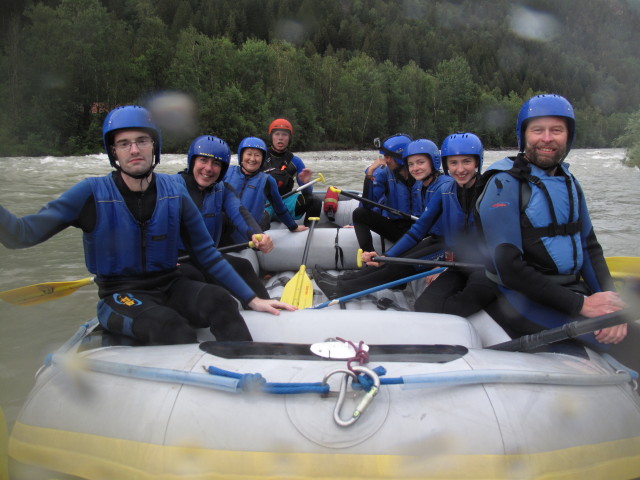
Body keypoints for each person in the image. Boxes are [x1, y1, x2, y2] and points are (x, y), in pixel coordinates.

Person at [0, 106, 294, 345]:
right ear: (113, 151)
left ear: (155, 146)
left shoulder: (173, 190)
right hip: (120, 293)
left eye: (142, 140)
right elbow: (21, 235)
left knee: (220, 301)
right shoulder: (89, 193)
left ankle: (249, 374)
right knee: (169, 326)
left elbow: (206, 254)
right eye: (124, 143)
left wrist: (251, 298)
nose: (134, 150)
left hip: (170, 282)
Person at [477, 94, 627, 347]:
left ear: (568, 136)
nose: (547, 138)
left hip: (567, 292)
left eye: (556, 130)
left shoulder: (571, 183)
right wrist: (583, 304)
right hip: (519, 298)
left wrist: (609, 301)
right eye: (538, 130)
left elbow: (590, 249)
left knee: (627, 332)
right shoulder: (503, 184)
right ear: (524, 135)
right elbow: (508, 267)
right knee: (628, 344)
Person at [313, 139, 453, 300]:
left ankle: (342, 288)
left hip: (448, 246)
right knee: (392, 259)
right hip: (433, 239)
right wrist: (387, 256)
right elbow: (419, 229)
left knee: (400, 263)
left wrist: (446, 264)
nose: (415, 168)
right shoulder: (426, 185)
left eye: (420, 162)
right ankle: (342, 280)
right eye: (411, 164)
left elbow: (463, 229)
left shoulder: (445, 188)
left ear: (433, 162)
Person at [173, 134, 272, 300]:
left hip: (206, 256)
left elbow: (239, 212)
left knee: (243, 266)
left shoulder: (223, 189)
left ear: (223, 169)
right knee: (193, 276)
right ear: (192, 161)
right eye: (203, 160)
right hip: (176, 259)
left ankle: (268, 308)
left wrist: (256, 234)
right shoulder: (170, 186)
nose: (209, 168)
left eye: (216, 163)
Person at [224, 136, 308, 235]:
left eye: (257, 155)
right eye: (249, 154)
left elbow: (279, 208)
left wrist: (293, 227)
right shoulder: (227, 172)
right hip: (223, 227)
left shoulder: (267, 180)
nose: (252, 159)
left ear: (263, 158)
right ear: (241, 156)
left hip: (248, 233)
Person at [351, 133, 414, 252]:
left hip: (420, 230)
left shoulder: (421, 174)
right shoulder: (384, 173)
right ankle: (370, 256)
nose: (386, 160)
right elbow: (367, 205)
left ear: (401, 157)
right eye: (385, 156)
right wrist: (369, 174)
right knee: (359, 213)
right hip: (397, 227)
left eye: (389, 157)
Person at [262, 118, 322, 225]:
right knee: (261, 217)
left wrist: (305, 183)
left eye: (284, 135)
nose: (280, 138)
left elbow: (307, 193)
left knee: (315, 201)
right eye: (277, 134)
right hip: (264, 203)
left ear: (289, 138)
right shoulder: (260, 156)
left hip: (285, 202)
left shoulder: (295, 161)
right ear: (271, 136)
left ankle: (307, 234)